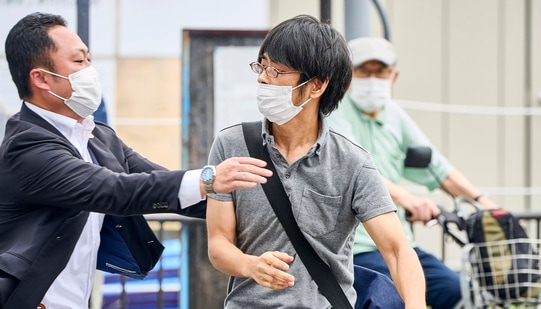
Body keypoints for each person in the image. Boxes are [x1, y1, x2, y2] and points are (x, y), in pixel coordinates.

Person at [0, 12, 273, 309]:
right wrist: (208, 178)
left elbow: (168, 189)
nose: (90, 71)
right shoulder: (27, 145)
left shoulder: (99, 137)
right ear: (40, 78)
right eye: (79, 62)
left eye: (89, 60)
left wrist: (269, 209)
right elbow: (115, 190)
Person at [205, 15, 426, 309]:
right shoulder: (231, 145)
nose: (262, 77)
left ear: (316, 86)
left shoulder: (353, 162)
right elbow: (218, 243)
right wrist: (250, 265)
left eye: (277, 71)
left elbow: (398, 251)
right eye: (262, 66)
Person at [327, 36, 499, 309]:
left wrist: (484, 202)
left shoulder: (395, 116)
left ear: (393, 77)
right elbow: (356, 168)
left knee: (457, 292)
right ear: (349, 76)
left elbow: (439, 169)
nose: (373, 79)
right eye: (364, 71)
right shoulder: (333, 113)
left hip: (401, 242)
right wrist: (407, 199)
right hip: (355, 246)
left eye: (380, 72)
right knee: (388, 300)